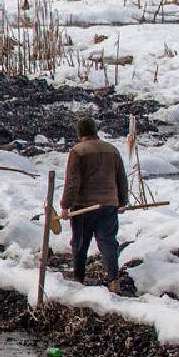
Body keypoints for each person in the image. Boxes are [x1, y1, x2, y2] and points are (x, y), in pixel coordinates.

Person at [58, 117, 129, 293]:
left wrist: (65, 205)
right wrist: (122, 201)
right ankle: (113, 280)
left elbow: (73, 181)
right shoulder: (112, 150)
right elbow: (121, 178)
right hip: (108, 204)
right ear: (95, 132)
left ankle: (79, 279)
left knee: (80, 243)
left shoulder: (77, 151)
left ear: (80, 133)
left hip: (84, 205)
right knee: (108, 242)